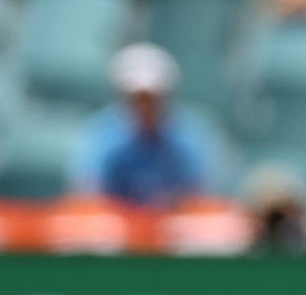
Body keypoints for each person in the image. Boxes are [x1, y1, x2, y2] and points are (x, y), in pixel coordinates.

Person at [69, 43, 220, 208]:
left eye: (152, 99)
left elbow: (200, 199)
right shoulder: (100, 136)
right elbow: (89, 199)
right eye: (138, 99)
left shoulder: (191, 136)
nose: (145, 107)